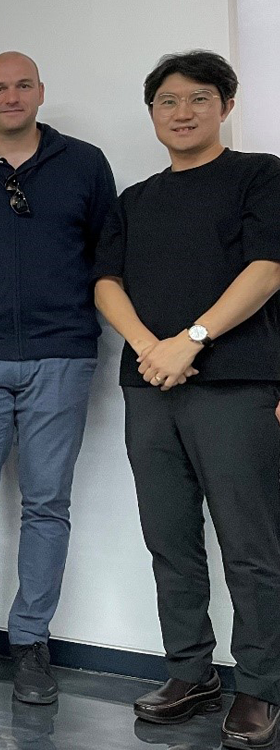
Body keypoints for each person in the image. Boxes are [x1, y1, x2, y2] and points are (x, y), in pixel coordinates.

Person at [94, 50, 280, 750]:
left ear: (225, 105)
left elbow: (267, 270)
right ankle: (192, 671)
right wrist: (154, 346)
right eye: (168, 102)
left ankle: (261, 686)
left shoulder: (260, 175)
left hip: (236, 386)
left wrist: (192, 339)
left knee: (251, 544)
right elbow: (105, 281)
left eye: (198, 99)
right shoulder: (136, 199)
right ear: (152, 115)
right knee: (169, 539)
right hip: (152, 389)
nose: (182, 112)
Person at [0, 52, 117, 704]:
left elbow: (105, 259)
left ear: (42, 91)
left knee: (46, 504)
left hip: (61, 357)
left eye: (23, 85)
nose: (11, 96)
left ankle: (32, 639)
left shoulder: (86, 165)